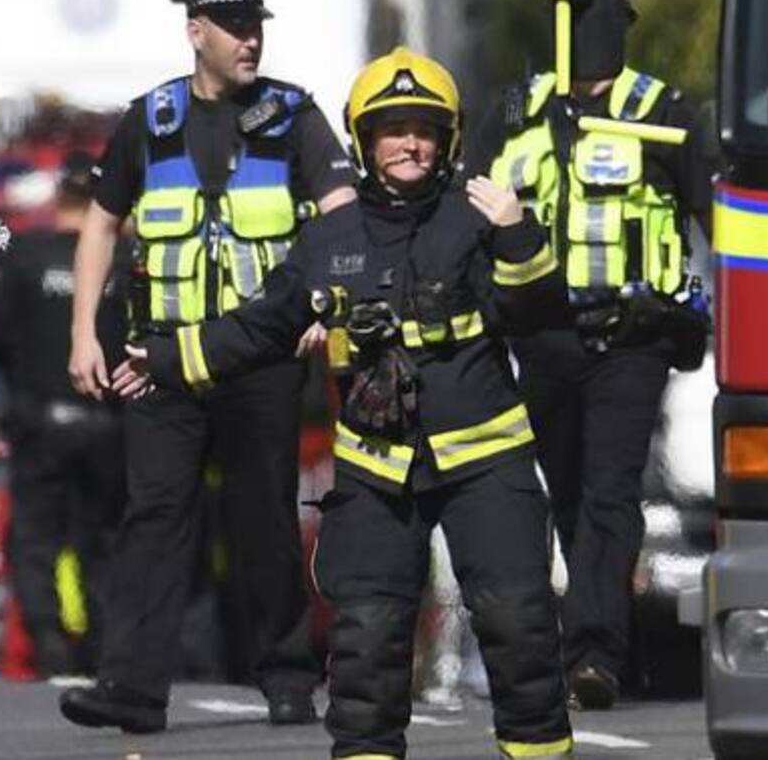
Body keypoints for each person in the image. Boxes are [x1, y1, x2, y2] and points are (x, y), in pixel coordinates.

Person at [113, 47, 575, 759]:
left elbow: (539, 313)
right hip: (374, 470)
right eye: (391, 130)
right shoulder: (328, 239)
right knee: (364, 646)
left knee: (521, 629)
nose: (409, 144)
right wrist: (168, 359)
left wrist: (518, 232)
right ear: (363, 142)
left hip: (487, 461)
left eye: (423, 129)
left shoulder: (482, 216)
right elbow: (260, 325)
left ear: (447, 139)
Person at [60, 0, 356, 731]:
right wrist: (83, 332)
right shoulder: (149, 120)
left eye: (258, 27)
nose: (251, 41)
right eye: (236, 30)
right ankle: (131, 685)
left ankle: (288, 677)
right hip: (157, 359)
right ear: (198, 34)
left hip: (256, 359)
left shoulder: (293, 115)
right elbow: (99, 223)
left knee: (262, 518)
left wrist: (326, 297)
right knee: (155, 515)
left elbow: (340, 211)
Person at [469, 13, 710, 709]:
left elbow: (721, 214)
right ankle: (600, 641)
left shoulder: (664, 114)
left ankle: (595, 654)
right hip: (541, 339)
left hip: (633, 338)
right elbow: (465, 216)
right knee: (570, 495)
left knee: (610, 492)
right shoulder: (514, 113)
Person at [0, 152, 129, 677]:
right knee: (101, 540)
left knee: (36, 540)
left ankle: (49, 645)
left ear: (60, 197)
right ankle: (104, 650)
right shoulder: (124, 261)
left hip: (40, 420)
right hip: (108, 421)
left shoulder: (23, 257)